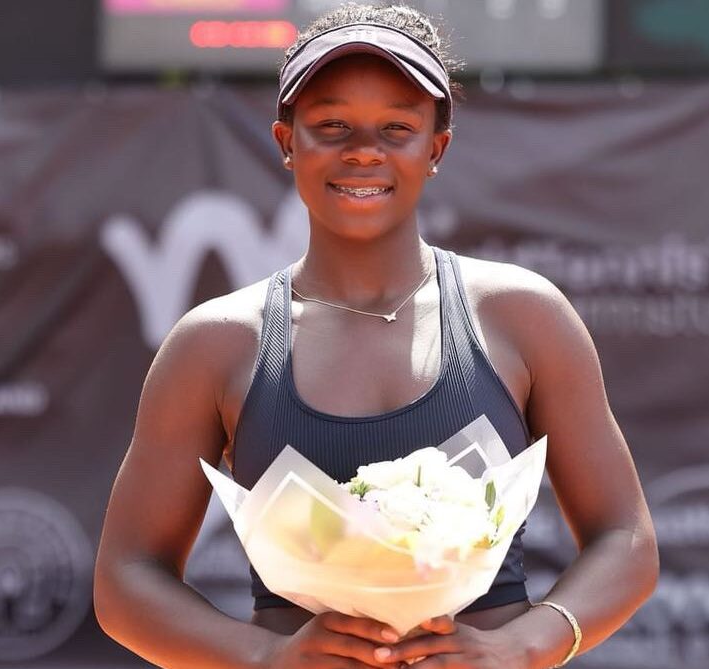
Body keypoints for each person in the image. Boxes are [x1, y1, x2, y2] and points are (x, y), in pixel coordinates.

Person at [93, 5, 658, 668]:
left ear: (435, 149)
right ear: (286, 141)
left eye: (397, 126)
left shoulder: (523, 316)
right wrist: (264, 658)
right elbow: (124, 579)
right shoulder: (216, 343)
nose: (364, 149)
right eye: (331, 124)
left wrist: (522, 645)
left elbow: (627, 539)